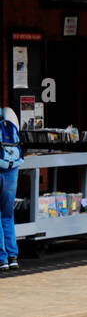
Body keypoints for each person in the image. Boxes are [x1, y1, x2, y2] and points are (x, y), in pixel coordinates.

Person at [0, 108, 22, 271]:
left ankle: (2, 259)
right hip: (12, 169)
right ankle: (12, 257)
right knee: (7, 215)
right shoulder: (9, 114)